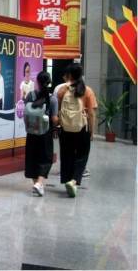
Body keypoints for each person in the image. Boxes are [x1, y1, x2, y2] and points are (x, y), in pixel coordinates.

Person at [56, 63, 98, 198]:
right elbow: (91, 113)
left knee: (66, 155)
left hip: (65, 128)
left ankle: (68, 180)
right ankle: (74, 181)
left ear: (69, 75)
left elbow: (59, 110)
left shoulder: (62, 90)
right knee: (82, 155)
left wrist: (59, 125)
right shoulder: (88, 91)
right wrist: (91, 131)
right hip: (82, 129)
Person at [24, 71, 59, 197]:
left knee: (32, 158)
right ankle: (39, 183)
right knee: (46, 158)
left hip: (31, 132)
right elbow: (54, 119)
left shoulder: (30, 95)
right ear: (49, 82)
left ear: (37, 82)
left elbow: (26, 113)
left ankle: (37, 185)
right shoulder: (52, 99)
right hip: (45, 133)